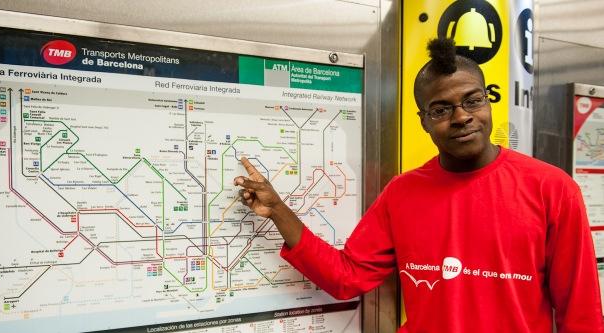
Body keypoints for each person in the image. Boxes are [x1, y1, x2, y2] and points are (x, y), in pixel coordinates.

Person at [234, 38, 604, 332]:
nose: (461, 117)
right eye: (441, 109)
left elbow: (581, 315)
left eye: (472, 101)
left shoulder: (552, 189)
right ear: (423, 120)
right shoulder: (403, 193)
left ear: (488, 101)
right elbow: (347, 277)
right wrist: (279, 211)